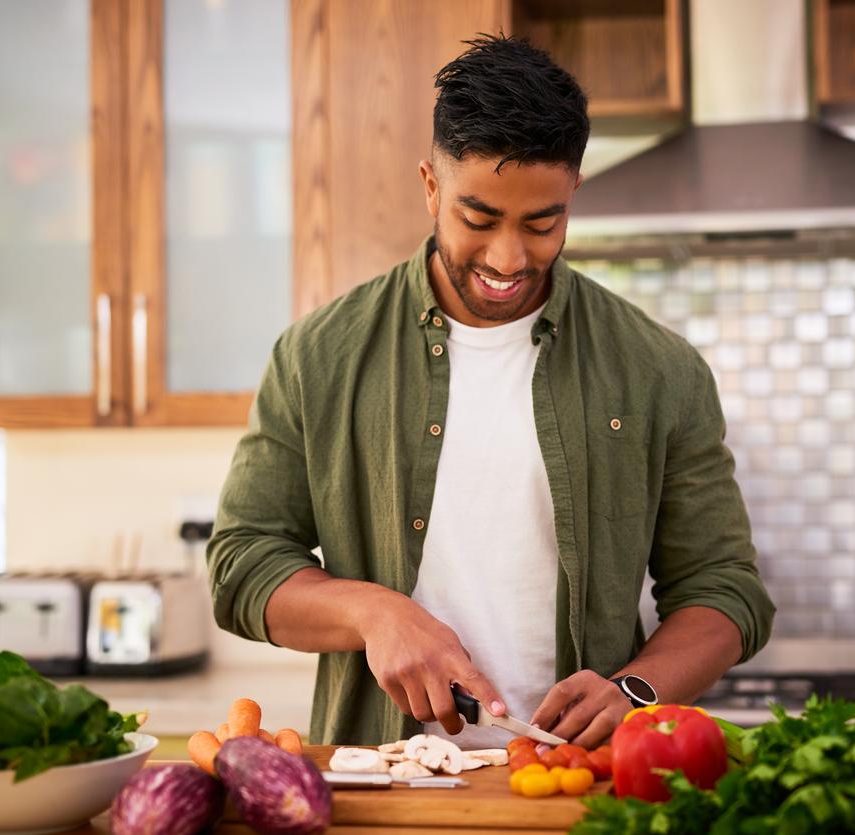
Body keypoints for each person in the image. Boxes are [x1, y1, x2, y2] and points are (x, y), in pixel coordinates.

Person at [207, 35, 774, 749]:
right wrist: (373, 612)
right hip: (382, 794)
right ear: (430, 186)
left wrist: (637, 690)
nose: (510, 258)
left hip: (577, 790)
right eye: (478, 219)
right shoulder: (318, 357)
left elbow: (724, 590)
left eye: (543, 223)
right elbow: (242, 563)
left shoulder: (659, 368)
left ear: (572, 194)